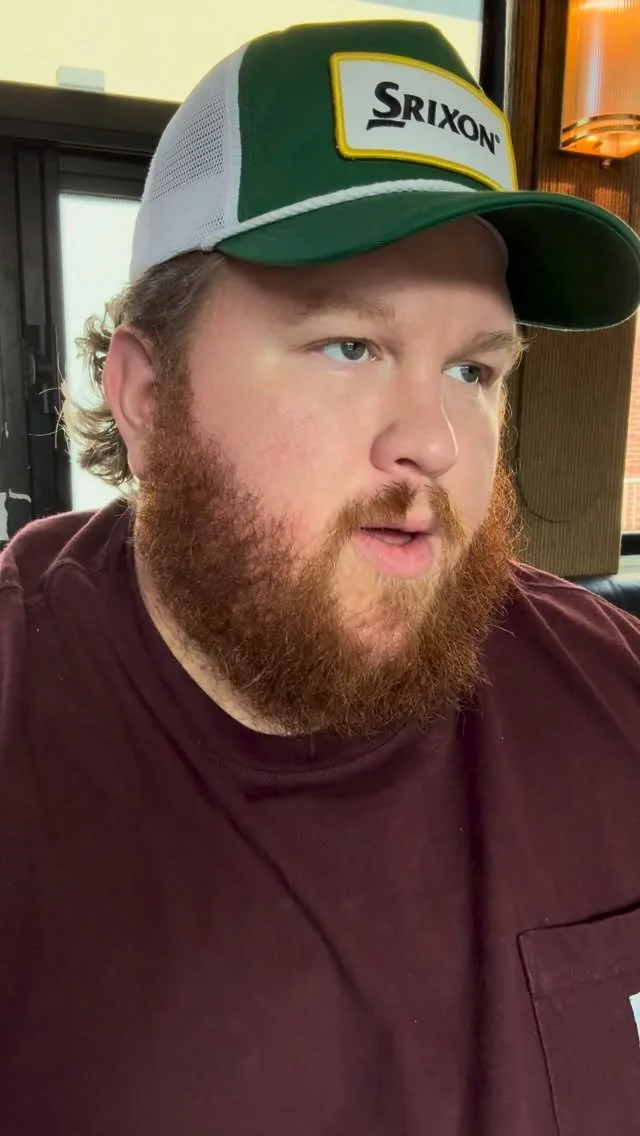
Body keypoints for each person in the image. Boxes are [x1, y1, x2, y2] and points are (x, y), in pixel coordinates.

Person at [1, 16, 640, 1136]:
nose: (433, 441)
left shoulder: (614, 694)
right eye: (351, 346)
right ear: (147, 397)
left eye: (474, 369)